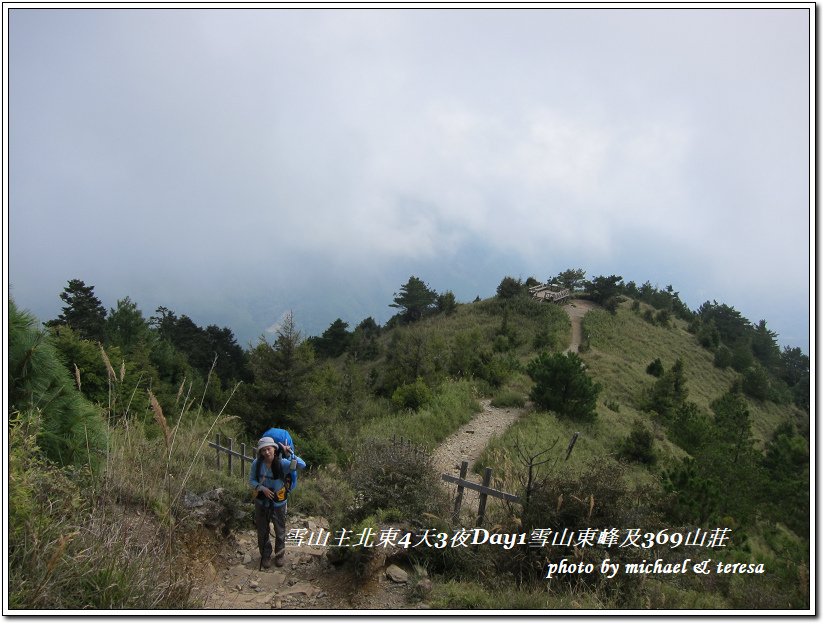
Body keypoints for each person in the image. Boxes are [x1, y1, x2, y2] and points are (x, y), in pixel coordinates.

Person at [249, 436, 306, 569]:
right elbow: (251, 480)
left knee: (280, 530)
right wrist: (262, 488)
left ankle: (279, 555)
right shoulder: (256, 464)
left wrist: (290, 453)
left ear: (274, 449)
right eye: (263, 450)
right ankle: (265, 556)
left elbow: (302, 465)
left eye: (268, 449)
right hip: (261, 501)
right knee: (262, 529)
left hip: (278, 502)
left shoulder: (283, 463)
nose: (266, 453)